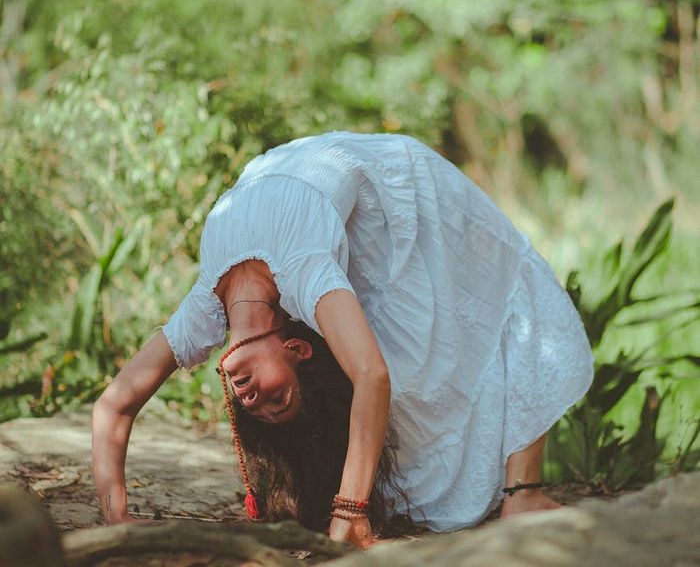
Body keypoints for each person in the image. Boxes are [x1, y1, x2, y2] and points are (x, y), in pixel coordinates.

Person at [92, 131, 594, 549]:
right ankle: (510, 491)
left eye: (264, 405)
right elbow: (372, 376)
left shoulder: (216, 299)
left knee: (509, 283)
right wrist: (117, 520)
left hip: (397, 184)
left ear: (297, 346)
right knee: (448, 330)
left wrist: (349, 507)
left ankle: (522, 490)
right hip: (376, 202)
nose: (254, 402)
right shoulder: (306, 275)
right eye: (278, 400)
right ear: (295, 349)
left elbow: (112, 406)